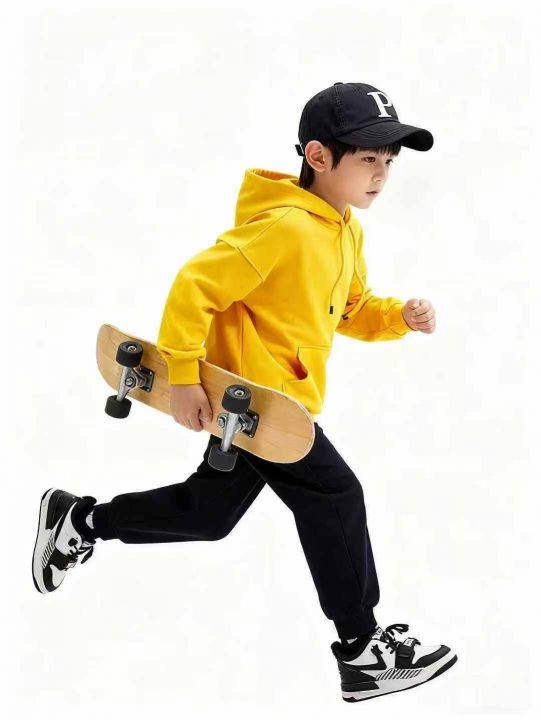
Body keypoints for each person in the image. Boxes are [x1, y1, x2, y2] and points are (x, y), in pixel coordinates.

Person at [32, 82, 457, 702]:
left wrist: (398, 317)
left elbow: (349, 308)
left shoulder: (344, 230)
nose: (381, 175)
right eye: (368, 158)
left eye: (389, 161)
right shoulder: (283, 227)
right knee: (335, 494)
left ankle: (81, 520)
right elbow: (195, 285)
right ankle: (362, 649)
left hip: (277, 410)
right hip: (256, 403)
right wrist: (182, 377)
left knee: (207, 515)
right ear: (318, 156)